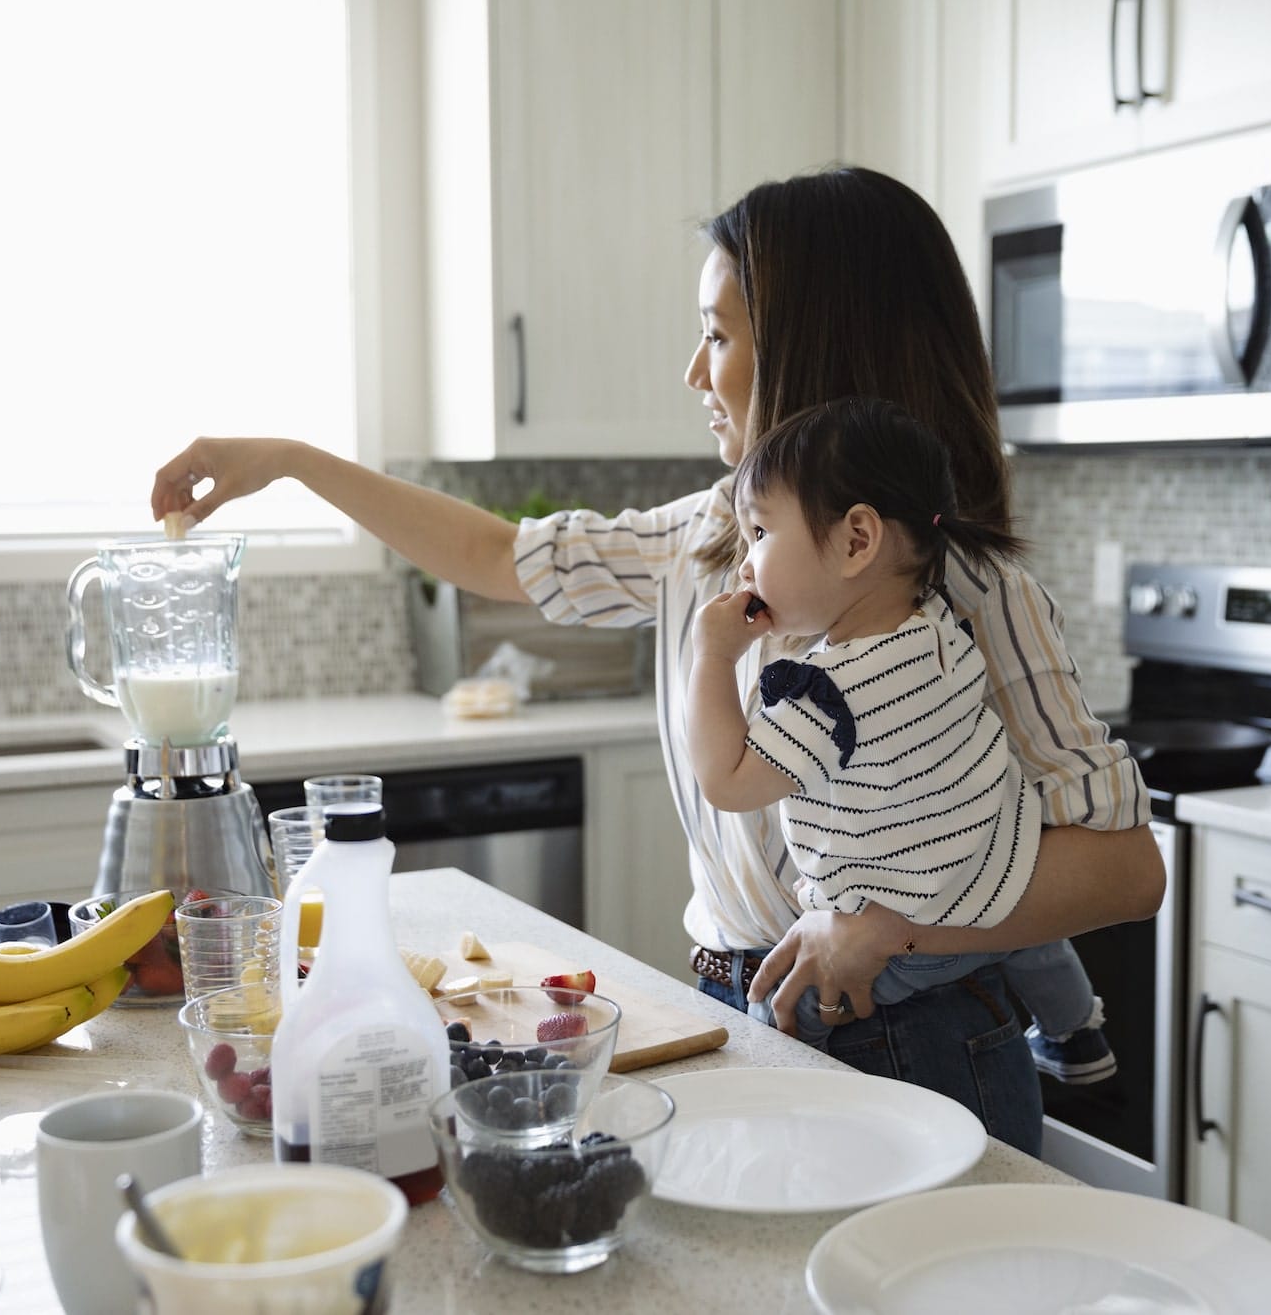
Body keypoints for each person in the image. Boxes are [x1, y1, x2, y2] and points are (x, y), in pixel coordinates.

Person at [148, 165, 1162, 1154]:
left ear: (813, 351)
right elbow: (496, 554)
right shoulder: (699, 541)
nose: (691, 371)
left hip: (923, 1037)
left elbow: (1125, 870)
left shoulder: (974, 591)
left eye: (716, 336)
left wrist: (891, 925)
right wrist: (290, 460)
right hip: (745, 1014)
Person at [684, 395, 1114, 1081]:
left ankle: (787, 1081)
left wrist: (710, 657)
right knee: (1030, 937)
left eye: (760, 533)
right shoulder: (939, 625)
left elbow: (727, 781)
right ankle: (1074, 1031)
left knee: (780, 1001)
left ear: (858, 540)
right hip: (992, 874)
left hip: (904, 944)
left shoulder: (829, 693)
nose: (745, 565)